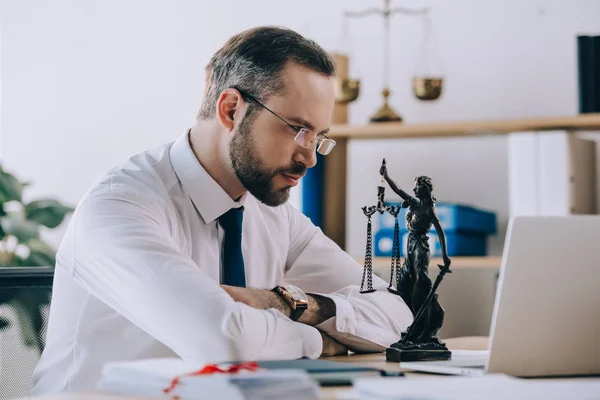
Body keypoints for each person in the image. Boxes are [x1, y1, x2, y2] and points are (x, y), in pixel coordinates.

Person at [32, 26, 413, 394]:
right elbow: (223, 339)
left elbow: (398, 318)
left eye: (319, 137)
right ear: (231, 109)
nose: (310, 158)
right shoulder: (120, 205)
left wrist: (296, 305)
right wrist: (321, 340)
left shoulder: (273, 213)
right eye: (297, 129)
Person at [380, 162, 450, 345]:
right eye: (415, 186)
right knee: (405, 283)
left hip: (420, 246)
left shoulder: (427, 208)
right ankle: (413, 323)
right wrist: (386, 177)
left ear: (425, 190)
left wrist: (445, 256)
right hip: (410, 244)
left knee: (420, 283)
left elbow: (440, 231)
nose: (414, 189)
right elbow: (399, 190)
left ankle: (425, 324)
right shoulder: (414, 203)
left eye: (417, 186)